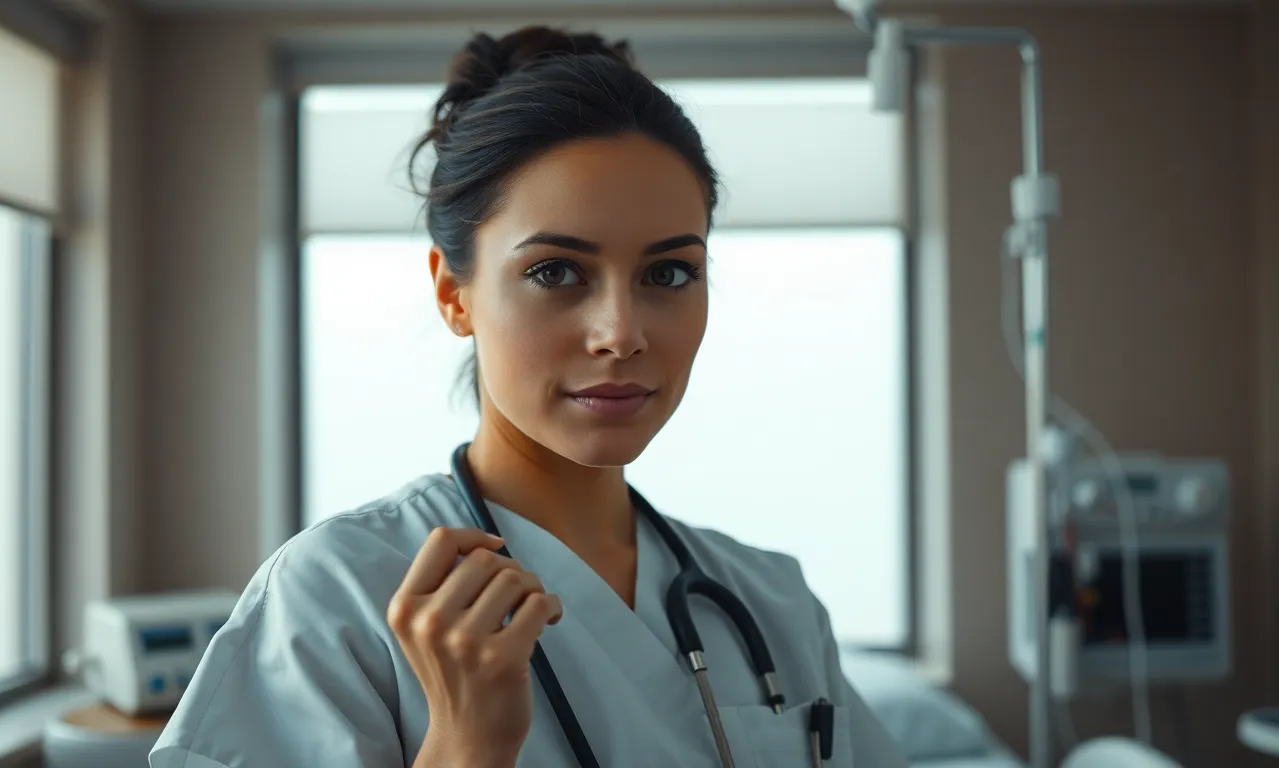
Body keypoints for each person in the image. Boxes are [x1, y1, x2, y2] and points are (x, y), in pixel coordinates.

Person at [150, 25, 907, 768]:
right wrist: (465, 749)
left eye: (668, 274)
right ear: (454, 295)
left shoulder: (772, 603)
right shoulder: (337, 599)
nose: (621, 333)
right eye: (556, 272)